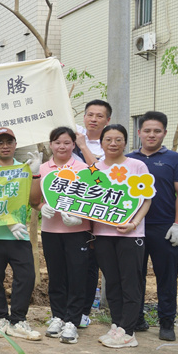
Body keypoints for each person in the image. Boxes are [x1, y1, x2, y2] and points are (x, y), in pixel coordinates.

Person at [127, 111, 178, 342]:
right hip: (133, 226)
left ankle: (166, 322)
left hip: (164, 226)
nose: (151, 135)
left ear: (164, 132)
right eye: (147, 130)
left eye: (157, 131)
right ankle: (136, 318)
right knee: (135, 275)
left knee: (167, 276)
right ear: (139, 132)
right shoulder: (129, 160)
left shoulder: (175, 159)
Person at [0, 128, 42, 341]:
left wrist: (35, 174)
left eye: (9, 141)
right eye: (0, 142)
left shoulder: (23, 169)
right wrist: (7, 221)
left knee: (26, 277)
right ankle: (0, 318)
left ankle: (18, 320)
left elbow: (34, 201)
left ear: (15, 145)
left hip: (19, 235)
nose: (5, 145)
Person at [93, 125, 153, 349]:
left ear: (126, 142)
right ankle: (117, 325)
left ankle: (129, 331)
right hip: (102, 234)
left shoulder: (137, 166)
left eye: (118, 139)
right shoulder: (94, 169)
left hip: (131, 234)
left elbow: (146, 199)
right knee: (113, 282)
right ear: (101, 143)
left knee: (130, 281)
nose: (113, 143)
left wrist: (134, 223)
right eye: (108, 139)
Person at [30, 126, 90, 345]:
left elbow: (92, 200)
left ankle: (73, 321)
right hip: (50, 231)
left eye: (66, 142)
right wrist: (40, 206)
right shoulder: (43, 168)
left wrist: (80, 217)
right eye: (57, 142)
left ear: (73, 145)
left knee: (77, 276)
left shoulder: (83, 168)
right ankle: (57, 316)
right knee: (56, 276)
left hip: (77, 231)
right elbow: (34, 199)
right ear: (50, 145)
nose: (62, 146)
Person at [73, 99, 112, 325]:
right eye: (90, 114)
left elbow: (101, 172)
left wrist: (84, 146)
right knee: (71, 264)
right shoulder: (75, 134)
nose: (93, 119)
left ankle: (84, 313)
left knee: (90, 265)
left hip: (97, 213)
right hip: (70, 213)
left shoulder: (109, 143)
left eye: (99, 116)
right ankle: (67, 311)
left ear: (107, 120)